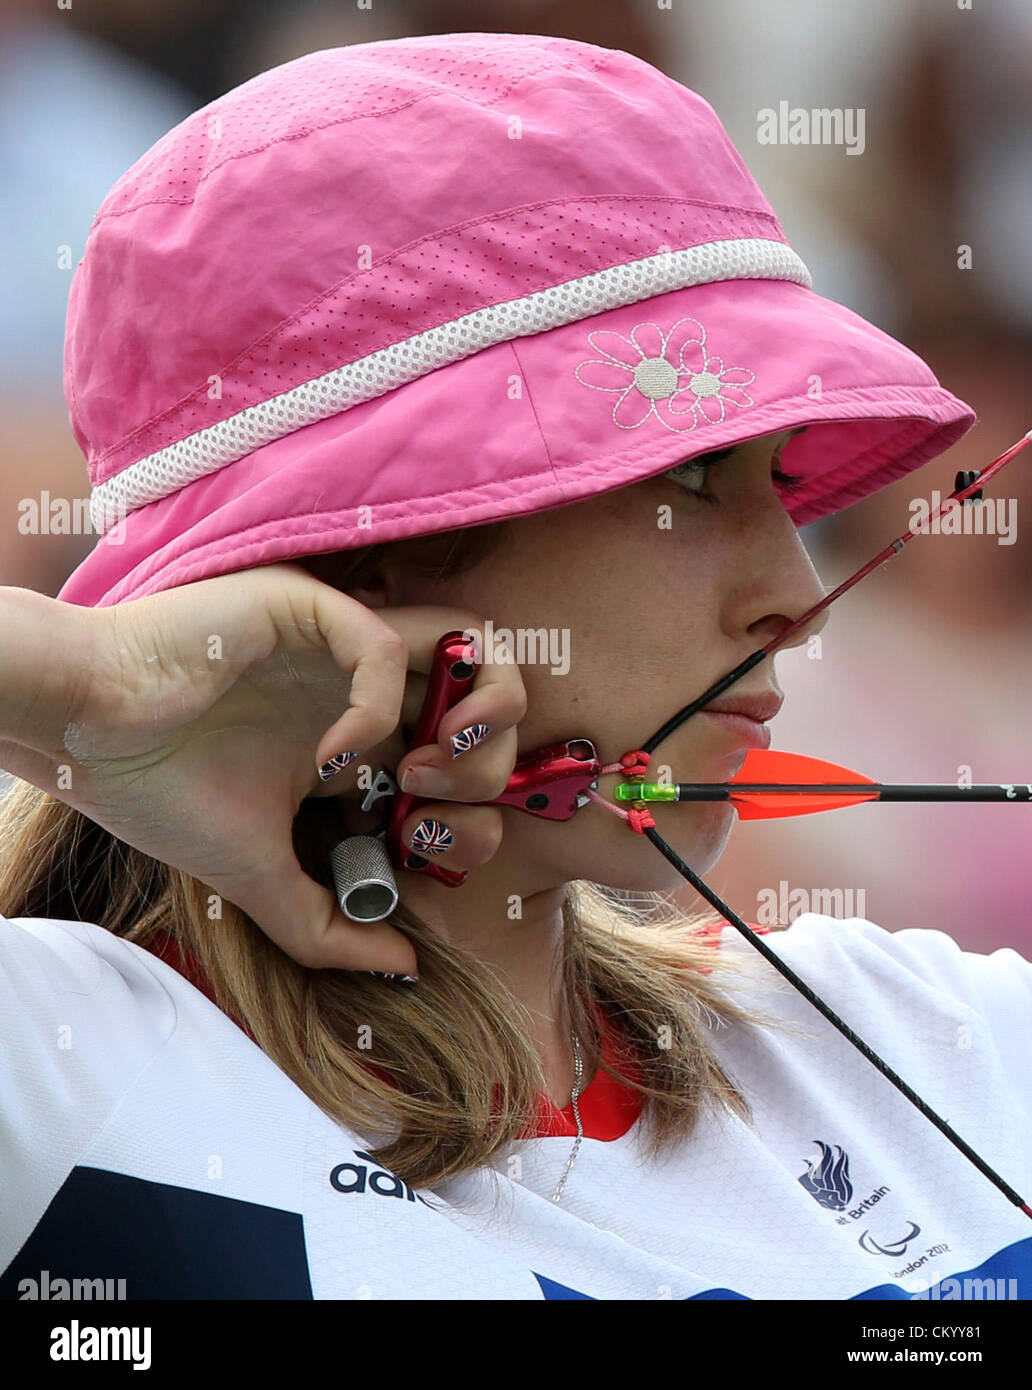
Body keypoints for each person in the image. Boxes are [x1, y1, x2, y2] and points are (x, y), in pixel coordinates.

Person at [1, 33, 1028, 1302]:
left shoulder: (932, 1033)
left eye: (779, 479)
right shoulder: (62, 1063)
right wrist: (95, 691)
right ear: (368, 563)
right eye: (691, 479)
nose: (796, 602)